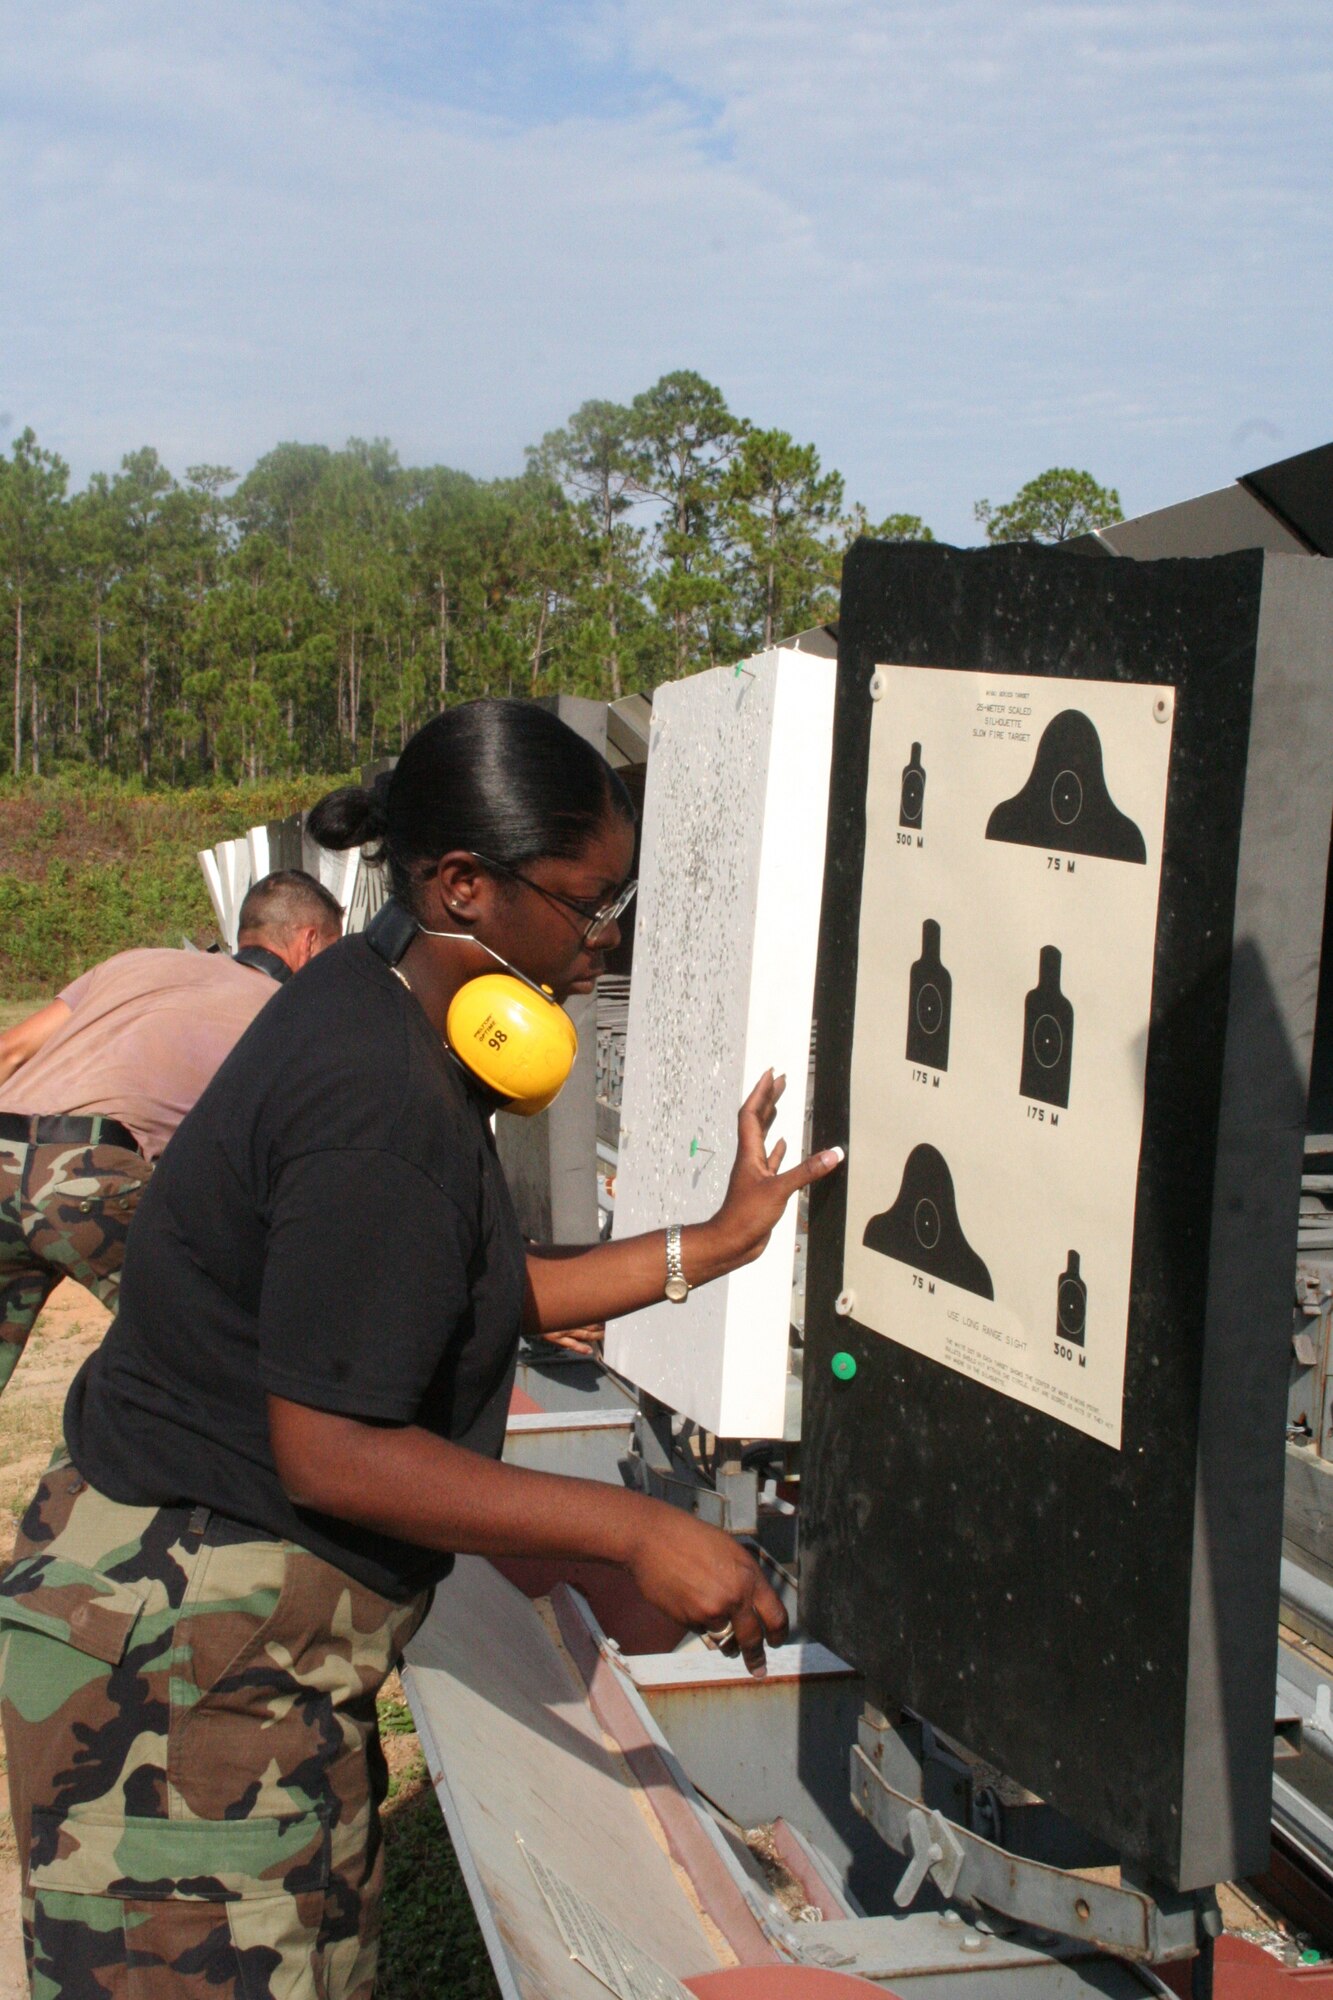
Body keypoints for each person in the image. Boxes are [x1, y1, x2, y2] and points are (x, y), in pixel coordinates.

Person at [0, 699, 844, 2000]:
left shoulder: (380, 1004)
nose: (601, 945)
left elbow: (456, 1290)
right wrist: (629, 1533)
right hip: (182, 1685)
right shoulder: (376, 1098)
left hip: (219, 1646)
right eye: (588, 905)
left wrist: (710, 1247)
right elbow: (332, 1450)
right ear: (465, 885)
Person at [0, 868, 343, 1393]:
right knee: (212, 1350)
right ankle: (86, 1475)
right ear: (309, 942)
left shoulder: (132, 963)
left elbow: (11, 1050)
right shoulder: (284, 1016)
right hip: (88, 1172)